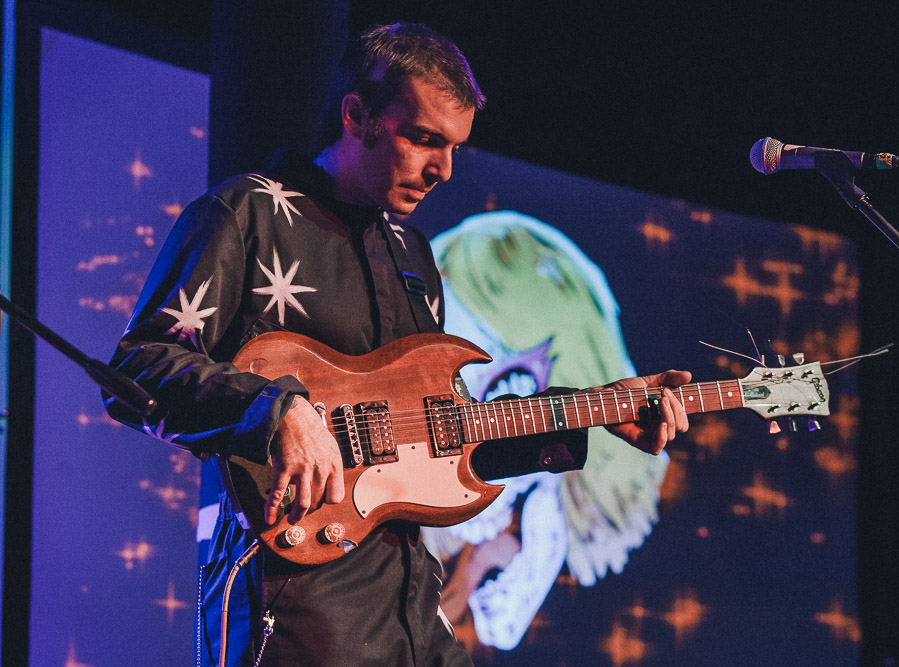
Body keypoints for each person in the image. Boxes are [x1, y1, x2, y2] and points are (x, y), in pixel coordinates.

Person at [106, 22, 690, 666]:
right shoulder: (248, 215)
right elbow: (137, 370)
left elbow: (446, 440)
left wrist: (600, 410)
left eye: (454, 149)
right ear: (357, 115)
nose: (441, 169)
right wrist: (275, 410)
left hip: (413, 610)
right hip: (297, 609)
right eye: (422, 140)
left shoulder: (413, 256)